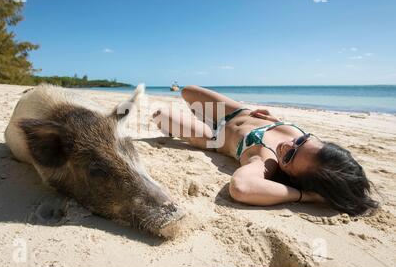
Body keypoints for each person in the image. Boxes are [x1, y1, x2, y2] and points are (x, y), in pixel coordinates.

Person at [153, 85, 378, 215]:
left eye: (289, 156)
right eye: (302, 140)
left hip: (214, 138)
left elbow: (240, 187)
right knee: (187, 91)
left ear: (292, 177)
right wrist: (276, 120)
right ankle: (197, 117)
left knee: (160, 116)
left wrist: (305, 196)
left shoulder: (265, 162)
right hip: (238, 113)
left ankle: (193, 123)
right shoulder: (313, 151)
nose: (288, 145)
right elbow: (306, 150)